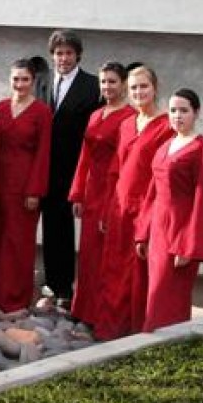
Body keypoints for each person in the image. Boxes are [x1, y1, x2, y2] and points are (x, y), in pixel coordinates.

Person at [93, 65, 173, 340]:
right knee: (112, 269)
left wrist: (149, 221)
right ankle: (108, 330)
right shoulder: (127, 123)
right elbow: (115, 170)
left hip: (144, 209)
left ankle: (133, 334)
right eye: (134, 88)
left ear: (155, 88)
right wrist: (107, 208)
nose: (139, 92)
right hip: (119, 206)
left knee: (135, 273)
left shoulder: (166, 126)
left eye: (144, 87)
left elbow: (160, 178)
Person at [136, 89, 203, 332]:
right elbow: (151, 192)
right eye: (172, 110)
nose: (177, 116)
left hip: (181, 229)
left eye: (184, 111)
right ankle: (152, 344)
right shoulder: (166, 145)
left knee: (169, 294)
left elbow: (202, 200)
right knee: (154, 291)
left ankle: (166, 345)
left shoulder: (202, 149)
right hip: (158, 228)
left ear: (196, 113)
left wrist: (188, 246)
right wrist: (143, 232)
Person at [0, 60, 52, 311]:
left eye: (25, 80)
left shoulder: (42, 112)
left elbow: (43, 154)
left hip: (25, 183)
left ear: (33, 82)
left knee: (18, 240)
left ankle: (14, 297)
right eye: (15, 79)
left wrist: (34, 191)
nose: (19, 85)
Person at [68, 62, 134, 327]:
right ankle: (85, 309)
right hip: (92, 189)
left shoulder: (129, 117)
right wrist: (78, 193)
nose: (107, 87)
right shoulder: (96, 115)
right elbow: (85, 156)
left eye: (113, 82)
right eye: (103, 82)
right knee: (89, 252)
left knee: (108, 253)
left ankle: (104, 312)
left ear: (124, 84)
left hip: (113, 189)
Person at [41, 29, 101, 303]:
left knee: (65, 228)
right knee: (50, 226)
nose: (63, 58)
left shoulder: (92, 86)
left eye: (68, 53)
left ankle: (66, 287)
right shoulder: (41, 81)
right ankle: (51, 282)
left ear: (78, 55)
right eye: (58, 53)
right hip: (43, 167)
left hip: (73, 168)